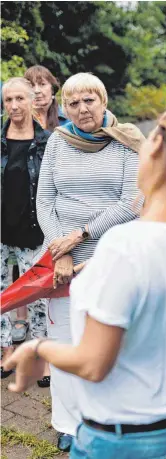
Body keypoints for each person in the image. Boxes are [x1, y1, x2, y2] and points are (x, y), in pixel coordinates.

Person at [3, 110, 166, 459]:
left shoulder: (124, 247)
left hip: (127, 437)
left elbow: (93, 364)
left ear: (153, 155)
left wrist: (37, 349)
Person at [33, 72, 144, 452]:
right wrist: (59, 251)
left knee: (107, 343)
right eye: (74, 103)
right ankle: (68, 423)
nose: (82, 109)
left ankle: (106, 417)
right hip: (61, 260)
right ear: (64, 107)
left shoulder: (127, 142)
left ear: (104, 100)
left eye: (89, 100)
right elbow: (45, 200)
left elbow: (133, 202)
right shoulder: (57, 143)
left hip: (109, 258)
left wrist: (81, 235)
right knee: (63, 342)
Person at [0, 77, 50, 385]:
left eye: (20, 98)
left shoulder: (46, 141)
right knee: (2, 294)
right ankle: (5, 350)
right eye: (8, 100)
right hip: (1, 230)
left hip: (33, 230)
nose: (14, 106)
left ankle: (40, 356)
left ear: (32, 100)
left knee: (37, 296)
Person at [24, 65, 69, 131]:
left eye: (42, 84)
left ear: (52, 89)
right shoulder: (19, 119)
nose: (36, 91)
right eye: (31, 85)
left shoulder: (69, 118)